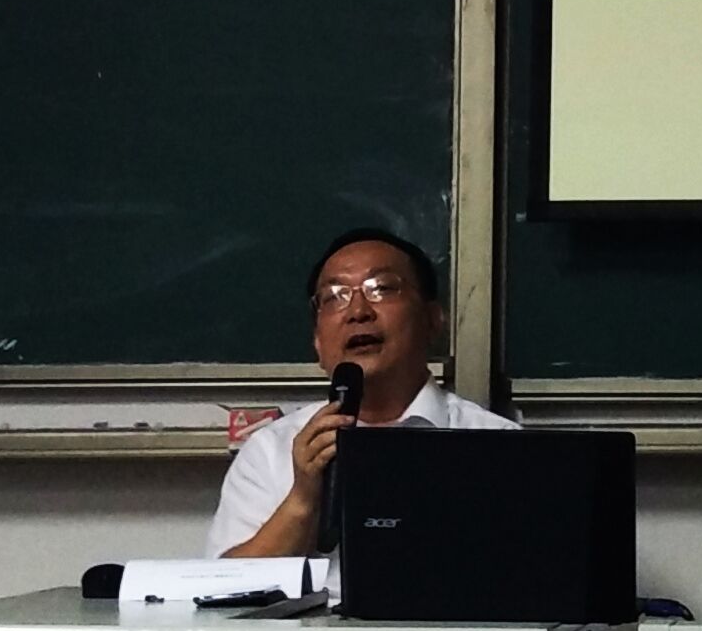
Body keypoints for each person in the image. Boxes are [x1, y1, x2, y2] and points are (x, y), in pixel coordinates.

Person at [205, 228, 515, 558]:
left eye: (381, 288)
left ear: (432, 320)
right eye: (335, 296)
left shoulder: (502, 447)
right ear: (317, 343)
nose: (358, 311)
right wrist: (302, 501)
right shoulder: (271, 451)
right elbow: (227, 584)